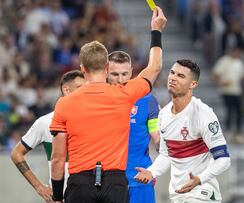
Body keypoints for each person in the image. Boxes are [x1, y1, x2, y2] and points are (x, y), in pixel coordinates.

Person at [49, 6, 166, 203]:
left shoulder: (64, 104)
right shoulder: (124, 94)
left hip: (79, 184)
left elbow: (58, 158)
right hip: (115, 183)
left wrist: (57, 196)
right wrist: (156, 30)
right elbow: (154, 68)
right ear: (106, 67)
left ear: (82, 68)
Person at [135, 59, 231, 203]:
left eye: (181, 76)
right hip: (177, 194)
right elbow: (166, 155)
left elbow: (223, 159)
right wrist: (152, 172)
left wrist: (199, 179)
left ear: (193, 84)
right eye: (172, 73)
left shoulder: (203, 114)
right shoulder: (164, 114)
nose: (173, 78)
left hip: (201, 194)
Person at [10, 70, 85, 203]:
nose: (85, 92)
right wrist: (39, 186)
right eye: (80, 88)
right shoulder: (45, 122)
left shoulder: (93, 119)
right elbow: (16, 153)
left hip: (89, 195)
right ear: (66, 90)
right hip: (59, 197)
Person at [107, 50, 160, 203]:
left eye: (124, 74)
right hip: (109, 182)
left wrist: (163, 146)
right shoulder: (101, 99)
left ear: (131, 72)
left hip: (140, 179)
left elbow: (155, 135)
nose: (120, 79)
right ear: (106, 72)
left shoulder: (148, 101)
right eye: (115, 74)